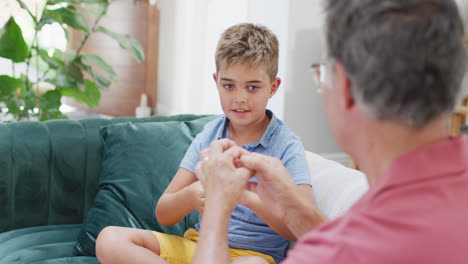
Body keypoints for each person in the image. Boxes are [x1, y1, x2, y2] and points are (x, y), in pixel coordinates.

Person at [192, 0, 468, 263]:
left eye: (322, 73)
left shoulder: (334, 254)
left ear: (345, 88)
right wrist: (295, 209)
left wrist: (217, 206)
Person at [95, 23, 313, 264]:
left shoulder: (287, 145)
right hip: (197, 247)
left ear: (273, 87)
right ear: (216, 81)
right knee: (109, 239)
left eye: (253, 87)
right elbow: (163, 212)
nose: (240, 98)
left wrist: (245, 197)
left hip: (252, 256)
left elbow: (302, 229)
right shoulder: (209, 136)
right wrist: (191, 195)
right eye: (229, 85)